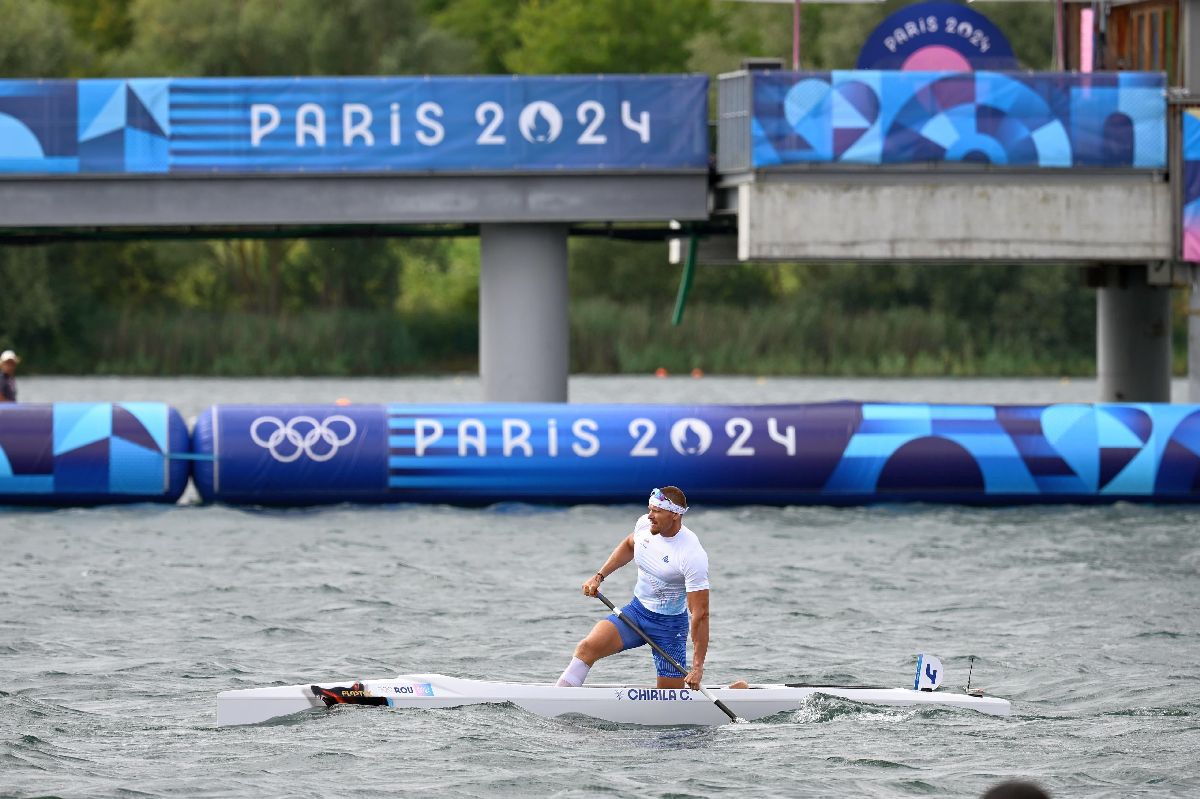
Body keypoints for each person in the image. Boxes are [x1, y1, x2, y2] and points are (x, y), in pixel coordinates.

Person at [556, 486, 711, 690]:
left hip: (669, 628)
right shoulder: (644, 526)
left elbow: (700, 614)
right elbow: (630, 545)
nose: (650, 516)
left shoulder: (691, 554)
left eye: (657, 511)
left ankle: (736, 691)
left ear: (674, 514)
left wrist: (698, 667)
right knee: (587, 648)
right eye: (650, 509)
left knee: (670, 696)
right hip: (636, 613)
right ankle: (559, 697)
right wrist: (599, 576)